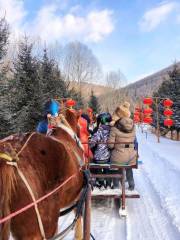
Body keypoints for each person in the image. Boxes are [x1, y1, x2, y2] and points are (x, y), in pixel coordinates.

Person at [108, 102, 137, 190]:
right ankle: (131, 186)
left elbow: (110, 145)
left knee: (115, 167)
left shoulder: (114, 128)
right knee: (128, 168)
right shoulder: (133, 127)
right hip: (131, 156)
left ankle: (116, 186)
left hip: (119, 156)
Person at [89, 112, 112, 189]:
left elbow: (92, 143)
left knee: (99, 168)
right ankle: (108, 184)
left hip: (99, 157)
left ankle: (101, 184)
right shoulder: (112, 130)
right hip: (109, 157)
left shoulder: (99, 131)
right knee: (107, 168)